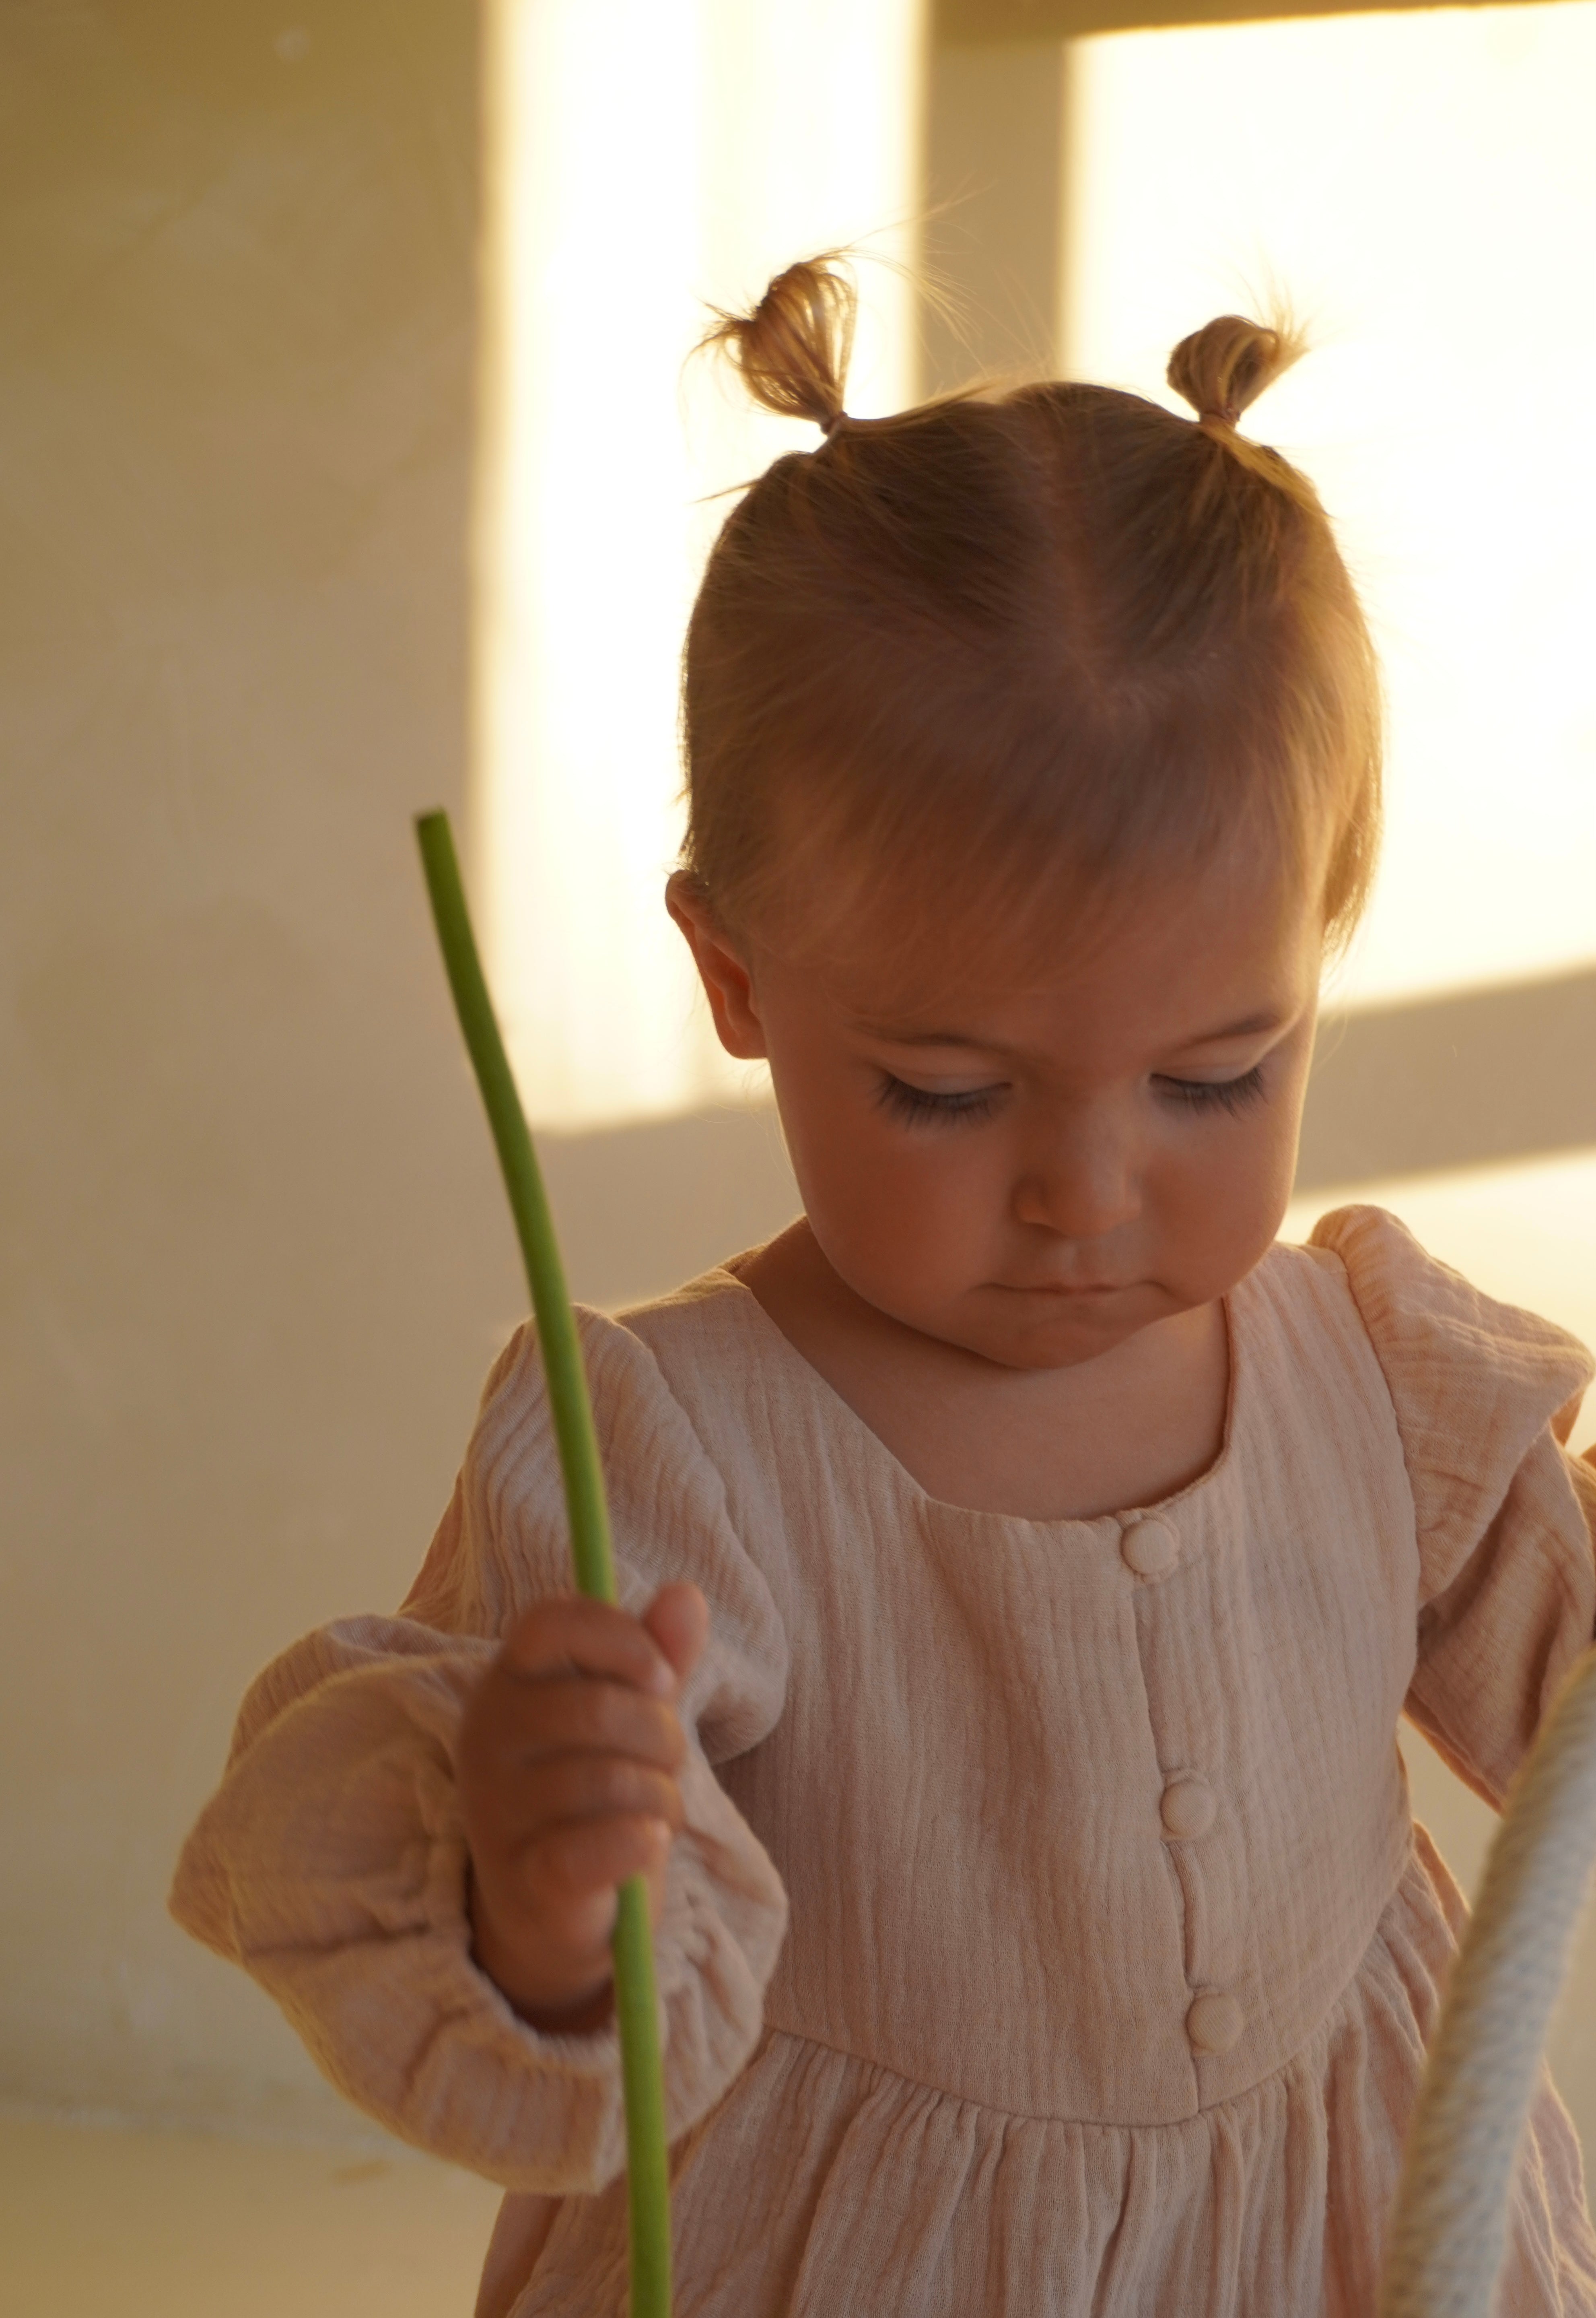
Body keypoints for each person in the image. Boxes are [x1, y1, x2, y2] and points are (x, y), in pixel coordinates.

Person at [171, 257, 1596, 2317]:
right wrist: (547, 1884)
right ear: (736, 977)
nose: (1084, 1195)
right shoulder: (676, 1448)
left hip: (1333, 2230)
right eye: (944, 1090)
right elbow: (552, 1980)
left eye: (1218, 1076)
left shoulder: (1371, 1368)